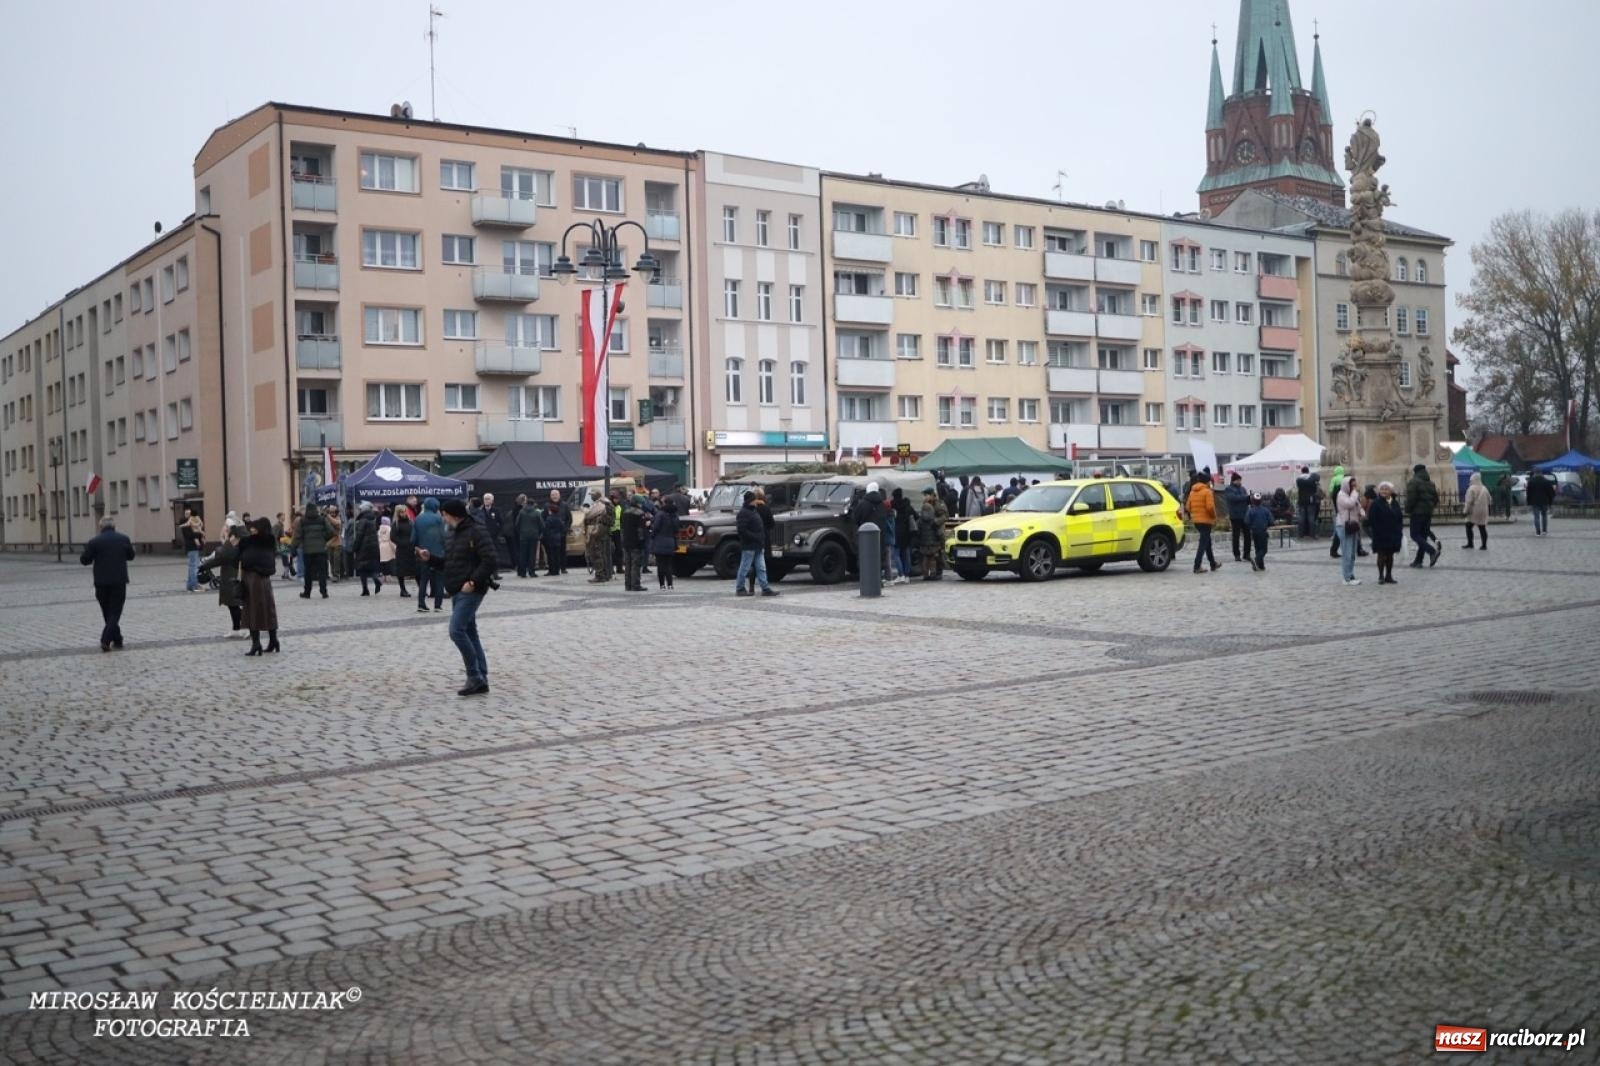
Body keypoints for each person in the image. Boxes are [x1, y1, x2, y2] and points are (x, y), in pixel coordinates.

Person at [418, 498, 496, 697]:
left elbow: (490, 559)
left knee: (456, 630)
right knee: (470, 632)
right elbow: (451, 562)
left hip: (470, 589)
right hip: (456, 588)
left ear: (452, 514)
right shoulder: (453, 533)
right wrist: (432, 559)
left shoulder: (476, 531)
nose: (442, 517)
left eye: (444, 514)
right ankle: (481, 677)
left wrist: (472, 582)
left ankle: (474, 675)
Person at [80, 516, 135, 651]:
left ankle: (113, 639)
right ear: (114, 526)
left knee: (107, 612)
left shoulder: (94, 542)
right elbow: (131, 556)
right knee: (115, 612)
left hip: (101, 582)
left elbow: (85, 560)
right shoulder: (123, 539)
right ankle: (111, 639)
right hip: (119, 581)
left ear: (101, 527)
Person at [239, 517, 280, 655]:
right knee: (268, 609)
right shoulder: (269, 541)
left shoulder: (249, 542)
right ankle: (273, 640)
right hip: (264, 579)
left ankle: (256, 643)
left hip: (252, 578)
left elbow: (242, 556)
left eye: (254, 527)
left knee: (253, 609)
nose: (251, 529)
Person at [198, 525, 245, 638]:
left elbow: (221, 556)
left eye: (229, 531)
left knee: (233, 604)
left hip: (232, 578)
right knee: (232, 604)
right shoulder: (234, 546)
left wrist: (204, 566)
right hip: (230, 577)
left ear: (235, 535)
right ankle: (237, 628)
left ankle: (244, 627)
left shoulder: (233, 547)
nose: (226, 531)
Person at [733, 491, 779, 597]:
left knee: (761, 568)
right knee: (744, 567)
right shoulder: (743, 513)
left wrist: (760, 538)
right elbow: (742, 530)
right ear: (750, 501)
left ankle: (765, 588)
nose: (755, 501)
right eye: (754, 500)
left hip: (758, 545)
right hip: (749, 546)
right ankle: (740, 588)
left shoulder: (753, 510)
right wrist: (755, 537)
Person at [411, 497, 447, 612]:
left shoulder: (418, 519)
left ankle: (421, 604)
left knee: (423, 581)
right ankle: (437, 605)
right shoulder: (439, 519)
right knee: (439, 580)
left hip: (423, 554)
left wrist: (419, 550)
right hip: (438, 554)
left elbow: (412, 540)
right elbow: (444, 536)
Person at [1367, 481, 1405, 585]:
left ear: (1391, 491)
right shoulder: (1376, 503)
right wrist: (1376, 530)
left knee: (1390, 555)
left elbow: (1399, 517)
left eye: (1386, 489)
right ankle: (1381, 576)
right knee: (1381, 555)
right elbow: (1371, 518)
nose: (1384, 491)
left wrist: (1399, 530)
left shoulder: (1394, 502)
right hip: (1380, 533)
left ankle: (1389, 575)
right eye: (1382, 489)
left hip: (1393, 533)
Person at [1405, 463, 1442, 567]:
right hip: (1428, 513)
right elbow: (1436, 499)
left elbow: (1411, 499)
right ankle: (1418, 560)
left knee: (1415, 535)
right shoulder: (1430, 483)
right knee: (1423, 536)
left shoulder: (1413, 482)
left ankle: (1432, 551)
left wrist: (1408, 510)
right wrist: (1430, 507)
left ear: (1415, 472)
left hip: (1417, 512)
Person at [292, 506, 332, 599]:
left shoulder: (302, 521)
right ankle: (324, 592)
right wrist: (324, 539)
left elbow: (297, 536)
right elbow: (331, 531)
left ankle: (307, 592)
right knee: (322, 572)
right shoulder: (322, 519)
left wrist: (293, 547)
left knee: (308, 572)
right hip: (321, 550)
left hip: (307, 550)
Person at [1185, 473, 1219, 574]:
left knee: (1207, 542)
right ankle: (1197, 566)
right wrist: (1214, 516)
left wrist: (1195, 514)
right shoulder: (1207, 492)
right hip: (1206, 521)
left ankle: (1213, 563)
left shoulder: (1192, 492)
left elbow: (1188, 507)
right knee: (1203, 544)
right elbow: (1210, 507)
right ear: (1207, 481)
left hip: (1197, 521)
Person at [1335, 475, 1365, 586]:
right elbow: (1349, 504)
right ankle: (1347, 578)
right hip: (1343, 526)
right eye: (1352, 485)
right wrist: (1354, 494)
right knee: (1347, 553)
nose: (1354, 487)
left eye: (1354, 485)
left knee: (1352, 553)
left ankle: (1350, 575)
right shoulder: (1341, 495)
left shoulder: (1352, 495)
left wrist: (1362, 512)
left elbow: (1357, 506)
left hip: (1353, 525)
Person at [351, 503, 382, 595]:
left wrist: (355, 547)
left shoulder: (362, 520)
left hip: (363, 547)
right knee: (371, 566)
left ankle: (365, 589)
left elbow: (359, 535)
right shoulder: (373, 519)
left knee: (362, 568)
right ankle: (376, 578)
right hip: (374, 546)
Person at [650, 498, 681, 590]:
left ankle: (662, 585)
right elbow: (677, 529)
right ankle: (670, 584)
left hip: (660, 541)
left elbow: (656, 527)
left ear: (664, 503)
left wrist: (652, 535)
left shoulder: (660, 514)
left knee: (660, 565)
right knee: (668, 565)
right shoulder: (675, 515)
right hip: (671, 542)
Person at [583, 490, 613, 582]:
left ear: (596, 495)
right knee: (603, 553)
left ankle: (600, 575)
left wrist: (585, 512)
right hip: (604, 531)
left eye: (592, 495)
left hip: (599, 530)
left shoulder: (600, 503)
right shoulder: (607, 502)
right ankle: (606, 574)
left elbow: (589, 515)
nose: (591, 497)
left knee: (596, 552)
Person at [620, 494, 648, 592]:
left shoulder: (625, 512)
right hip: (636, 543)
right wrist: (642, 541)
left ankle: (628, 585)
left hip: (626, 542)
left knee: (628, 564)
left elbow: (622, 528)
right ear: (638, 503)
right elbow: (640, 530)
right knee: (636, 564)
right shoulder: (640, 513)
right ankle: (635, 585)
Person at [1223, 472, 1251, 564]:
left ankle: (1247, 554)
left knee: (1247, 535)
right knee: (1236, 536)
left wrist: (1250, 499)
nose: (1240, 482)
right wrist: (1245, 497)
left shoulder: (1243, 489)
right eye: (1238, 480)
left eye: (1240, 480)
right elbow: (1233, 498)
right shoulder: (1228, 489)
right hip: (1235, 516)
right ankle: (1237, 555)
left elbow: (1246, 500)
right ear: (1234, 480)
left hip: (1245, 515)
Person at [918, 486, 946, 580]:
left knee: (938, 553)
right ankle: (932, 573)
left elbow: (945, 516)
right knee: (931, 555)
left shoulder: (938, 504)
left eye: (925, 495)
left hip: (937, 529)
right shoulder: (926, 504)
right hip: (929, 531)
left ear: (930, 495)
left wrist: (936, 522)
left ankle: (939, 571)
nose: (924, 497)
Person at [514, 496, 543, 578]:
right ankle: (531, 572)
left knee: (523, 554)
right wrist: (539, 533)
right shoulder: (537, 513)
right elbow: (541, 525)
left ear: (526, 503)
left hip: (523, 536)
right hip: (534, 536)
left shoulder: (521, 512)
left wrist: (520, 532)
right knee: (532, 555)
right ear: (533, 504)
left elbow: (517, 524)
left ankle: (523, 572)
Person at [542, 492, 568, 577]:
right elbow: (543, 518)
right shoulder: (546, 506)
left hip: (556, 536)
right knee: (554, 554)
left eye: (556, 494)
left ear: (559, 495)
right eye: (553, 495)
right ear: (550, 496)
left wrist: (564, 531)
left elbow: (569, 518)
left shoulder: (564, 505)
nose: (554, 496)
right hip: (556, 536)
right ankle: (555, 570)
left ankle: (559, 569)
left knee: (557, 553)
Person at [1462, 471, 1491, 550]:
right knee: (1482, 527)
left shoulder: (1471, 488)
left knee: (1468, 526)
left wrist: (1465, 511)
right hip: (1484, 511)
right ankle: (1484, 545)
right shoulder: (1484, 488)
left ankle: (1470, 543)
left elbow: (1469, 502)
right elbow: (1490, 500)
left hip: (1474, 511)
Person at [1244, 492, 1272, 572]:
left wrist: (1251, 527)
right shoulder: (1266, 510)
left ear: (1253, 501)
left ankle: (1261, 566)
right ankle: (1256, 559)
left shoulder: (1250, 511)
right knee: (1264, 549)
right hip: (1263, 531)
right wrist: (1267, 525)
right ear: (1261, 501)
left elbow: (1246, 521)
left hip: (1254, 532)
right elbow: (1271, 521)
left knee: (1258, 549)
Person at [392, 506, 415, 596]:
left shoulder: (411, 522)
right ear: (398, 513)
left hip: (411, 549)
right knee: (401, 571)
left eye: (405, 511)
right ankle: (403, 589)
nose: (404, 513)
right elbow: (393, 537)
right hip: (401, 549)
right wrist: (401, 543)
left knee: (416, 570)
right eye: (401, 512)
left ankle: (422, 589)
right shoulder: (396, 524)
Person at [1526, 469, 1555, 536]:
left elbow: (1528, 493)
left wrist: (1528, 502)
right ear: (1541, 473)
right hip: (1545, 501)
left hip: (1535, 502)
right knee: (1544, 516)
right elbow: (1551, 493)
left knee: (1536, 517)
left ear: (1535, 473)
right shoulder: (1546, 481)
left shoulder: (1531, 482)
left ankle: (1538, 532)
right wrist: (1550, 502)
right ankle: (1544, 531)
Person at [181, 515, 205, 592]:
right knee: (194, 568)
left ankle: (190, 585)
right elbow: (192, 536)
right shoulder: (187, 527)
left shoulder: (189, 526)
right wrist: (200, 532)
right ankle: (194, 585)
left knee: (192, 567)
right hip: (192, 548)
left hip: (192, 549)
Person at [378, 515, 395, 585]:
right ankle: (388, 576)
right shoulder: (389, 529)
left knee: (382, 561)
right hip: (388, 546)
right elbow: (391, 539)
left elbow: (378, 539)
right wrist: (394, 547)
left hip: (381, 545)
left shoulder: (379, 529)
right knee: (388, 561)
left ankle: (383, 576)